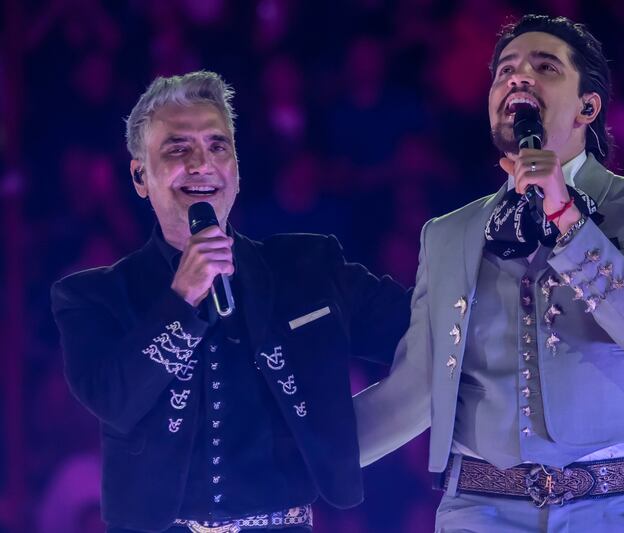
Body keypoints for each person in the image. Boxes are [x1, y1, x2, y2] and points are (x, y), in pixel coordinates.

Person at [354, 14, 624, 532]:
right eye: (504, 72)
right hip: (478, 509)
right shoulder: (447, 234)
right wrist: (291, 463)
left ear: (588, 107)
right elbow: (416, 391)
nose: (518, 78)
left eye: (544, 67)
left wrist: (568, 220)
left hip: (612, 508)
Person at [51, 71, 410, 533]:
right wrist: (181, 301)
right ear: (140, 175)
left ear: (237, 170)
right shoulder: (91, 296)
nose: (202, 162)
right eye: (178, 148)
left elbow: (424, 330)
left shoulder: (309, 268)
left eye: (218, 146)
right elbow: (113, 398)